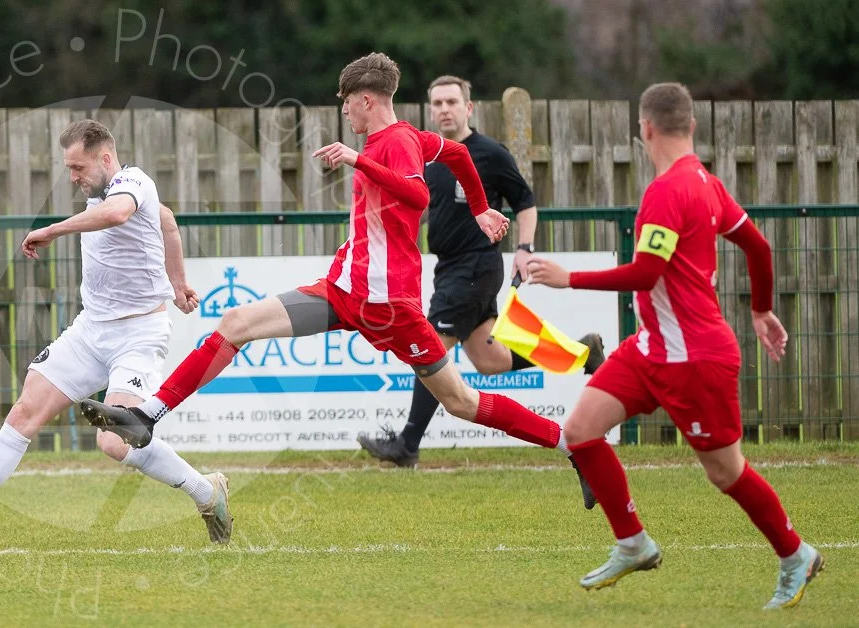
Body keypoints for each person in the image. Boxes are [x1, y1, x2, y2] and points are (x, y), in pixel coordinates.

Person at [80, 54, 590, 501]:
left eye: (346, 102)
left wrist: (358, 161)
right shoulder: (408, 137)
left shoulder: (392, 145)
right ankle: (147, 416)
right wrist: (479, 209)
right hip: (346, 289)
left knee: (461, 402)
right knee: (236, 322)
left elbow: (416, 196)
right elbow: (455, 155)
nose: (343, 111)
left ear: (366, 99)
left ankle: (571, 443)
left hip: (389, 303)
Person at [526, 82, 823, 609]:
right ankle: (633, 542)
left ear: (645, 128)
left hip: (695, 357)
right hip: (652, 348)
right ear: (691, 126)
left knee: (725, 472)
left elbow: (645, 273)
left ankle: (796, 554)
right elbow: (756, 244)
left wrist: (567, 278)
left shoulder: (669, 191)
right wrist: (759, 308)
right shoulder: (705, 182)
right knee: (581, 430)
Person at [0, 119, 233, 547]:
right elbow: (167, 221)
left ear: (105, 157)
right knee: (23, 414)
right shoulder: (103, 198)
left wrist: (52, 229)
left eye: (78, 167)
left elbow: (119, 214)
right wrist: (177, 281)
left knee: (115, 443)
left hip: (139, 334)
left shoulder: (133, 182)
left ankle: (207, 494)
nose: (74, 177)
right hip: (89, 332)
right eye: (69, 169)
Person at [359, 75, 605, 477]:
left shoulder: (489, 153)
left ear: (468, 108)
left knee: (430, 345)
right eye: (436, 103)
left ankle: (407, 443)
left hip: (477, 266)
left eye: (452, 102)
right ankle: (582, 352)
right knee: (489, 360)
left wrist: (524, 250)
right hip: (448, 268)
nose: (444, 109)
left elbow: (525, 203)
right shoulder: (427, 153)